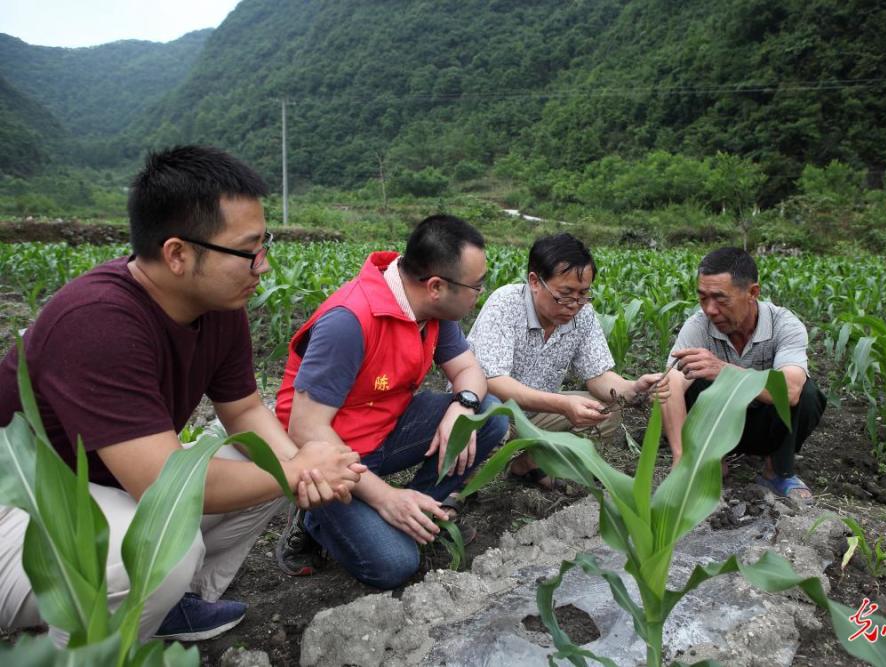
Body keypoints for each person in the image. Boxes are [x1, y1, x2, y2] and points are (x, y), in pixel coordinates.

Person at [0, 145, 365, 644]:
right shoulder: (97, 321)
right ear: (178, 254)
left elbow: (242, 409)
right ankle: (85, 650)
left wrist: (301, 464)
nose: (264, 266)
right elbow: (158, 486)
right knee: (158, 550)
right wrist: (300, 470)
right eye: (249, 250)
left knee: (269, 454)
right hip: (18, 498)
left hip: (109, 483)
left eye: (266, 243)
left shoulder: (218, 305)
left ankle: (171, 605)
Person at [275, 214, 509, 589]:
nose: (479, 293)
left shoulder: (432, 310)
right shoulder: (349, 321)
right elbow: (304, 428)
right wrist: (384, 497)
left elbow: (469, 370)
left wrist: (462, 407)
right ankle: (313, 519)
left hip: (384, 433)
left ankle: (420, 510)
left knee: (488, 414)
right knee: (395, 564)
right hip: (329, 457)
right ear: (436, 285)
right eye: (476, 287)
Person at [466, 233, 666, 491]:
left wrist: (634, 389)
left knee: (607, 409)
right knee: (490, 414)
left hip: (538, 414)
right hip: (492, 411)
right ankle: (458, 485)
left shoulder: (582, 315)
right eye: (565, 294)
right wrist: (563, 404)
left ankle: (528, 464)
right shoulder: (506, 304)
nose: (574, 305)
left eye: (583, 294)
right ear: (535, 282)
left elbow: (598, 375)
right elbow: (492, 381)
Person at [661, 246, 826, 502]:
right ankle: (709, 462)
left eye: (720, 298)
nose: (710, 309)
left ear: (753, 293)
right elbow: (670, 383)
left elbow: (791, 390)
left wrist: (723, 370)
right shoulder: (698, 326)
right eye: (703, 297)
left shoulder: (784, 325)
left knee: (807, 393)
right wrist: (682, 459)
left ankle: (777, 470)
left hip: (765, 427)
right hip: (716, 424)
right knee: (687, 375)